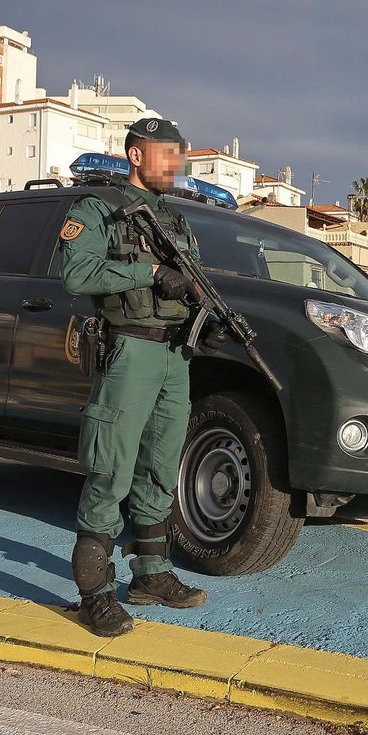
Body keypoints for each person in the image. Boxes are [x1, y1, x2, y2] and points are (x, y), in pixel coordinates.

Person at [59, 116, 228, 636]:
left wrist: (205, 303)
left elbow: (193, 277)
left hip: (175, 356)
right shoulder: (98, 209)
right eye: (166, 155)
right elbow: (75, 274)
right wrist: (151, 273)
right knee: (110, 466)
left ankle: (152, 573)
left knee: (160, 465)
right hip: (129, 350)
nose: (175, 165)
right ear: (136, 155)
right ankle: (94, 594)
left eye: (179, 156)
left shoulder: (175, 220)